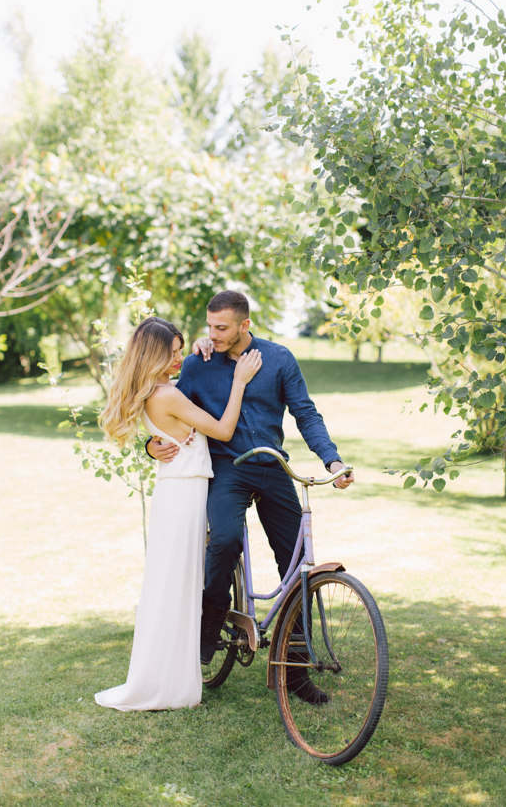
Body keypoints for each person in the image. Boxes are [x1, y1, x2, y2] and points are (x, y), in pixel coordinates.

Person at [147, 292, 354, 706]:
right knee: (223, 540)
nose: (211, 335)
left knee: (298, 565)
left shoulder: (278, 359)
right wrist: (149, 447)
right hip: (228, 468)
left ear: (244, 325)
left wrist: (332, 461)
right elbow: (159, 410)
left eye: (221, 328)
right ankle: (209, 626)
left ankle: (295, 669)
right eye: (209, 326)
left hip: (273, 466)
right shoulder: (197, 364)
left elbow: (306, 413)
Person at [94, 316, 262, 711]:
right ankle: (166, 683)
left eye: (180, 349)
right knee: (178, 586)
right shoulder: (166, 395)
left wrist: (206, 345)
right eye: (172, 352)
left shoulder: (159, 391)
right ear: (154, 355)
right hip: (184, 493)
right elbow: (222, 430)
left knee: (171, 586)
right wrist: (239, 381)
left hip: (177, 491)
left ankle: (167, 676)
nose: (179, 358)